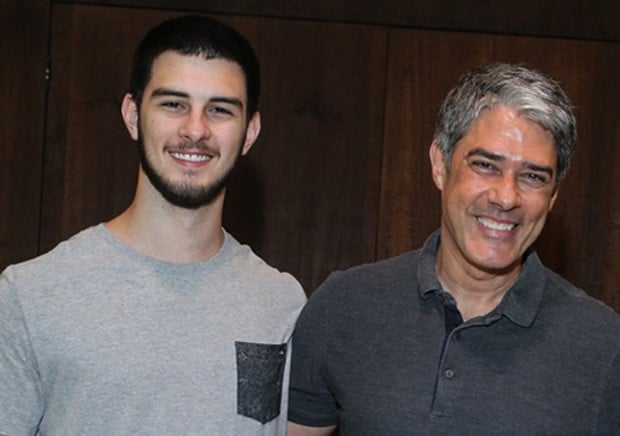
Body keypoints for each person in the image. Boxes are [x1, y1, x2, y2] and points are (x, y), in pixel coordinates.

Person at [0, 15, 306, 435]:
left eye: (219, 110)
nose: (195, 130)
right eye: (173, 104)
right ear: (132, 115)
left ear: (249, 132)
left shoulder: (282, 303)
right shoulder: (32, 295)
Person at [287, 63, 619, 435]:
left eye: (532, 177)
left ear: (553, 197)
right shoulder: (345, 306)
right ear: (440, 165)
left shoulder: (604, 347)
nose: (506, 197)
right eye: (485, 165)